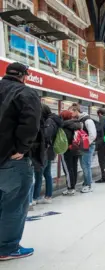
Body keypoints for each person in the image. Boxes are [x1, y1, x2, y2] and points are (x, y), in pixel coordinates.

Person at [0, 62, 41, 261]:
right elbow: (30, 123)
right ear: (24, 76)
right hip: (12, 159)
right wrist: (22, 148)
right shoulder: (26, 93)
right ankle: (7, 247)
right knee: (14, 203)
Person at [33, 105, 63, 204]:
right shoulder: (54, 120)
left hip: (45, 151)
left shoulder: (49, 121)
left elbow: (45, 135)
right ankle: (48, 196)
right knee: (47, 174)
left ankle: (35, 197)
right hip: (49, 151)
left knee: (39, 174)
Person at [69, 103, 96, 192]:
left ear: (76, 111)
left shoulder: (88, 120)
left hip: (87, 146)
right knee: (83, 165)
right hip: (82, 146)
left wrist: (86, 144)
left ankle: (88, 185)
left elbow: (93, 135)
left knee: (85, 165)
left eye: (71, 112)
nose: (70, 114)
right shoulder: (79, 120)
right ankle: (86, 183)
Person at [59, 111, 83, 196]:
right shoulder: (76, 125)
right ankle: (73, 187)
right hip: (75, 149)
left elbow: (63, 139)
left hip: (67, 150)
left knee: (68, 169)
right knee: (73, 168)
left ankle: (70, 188)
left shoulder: (64, 126)